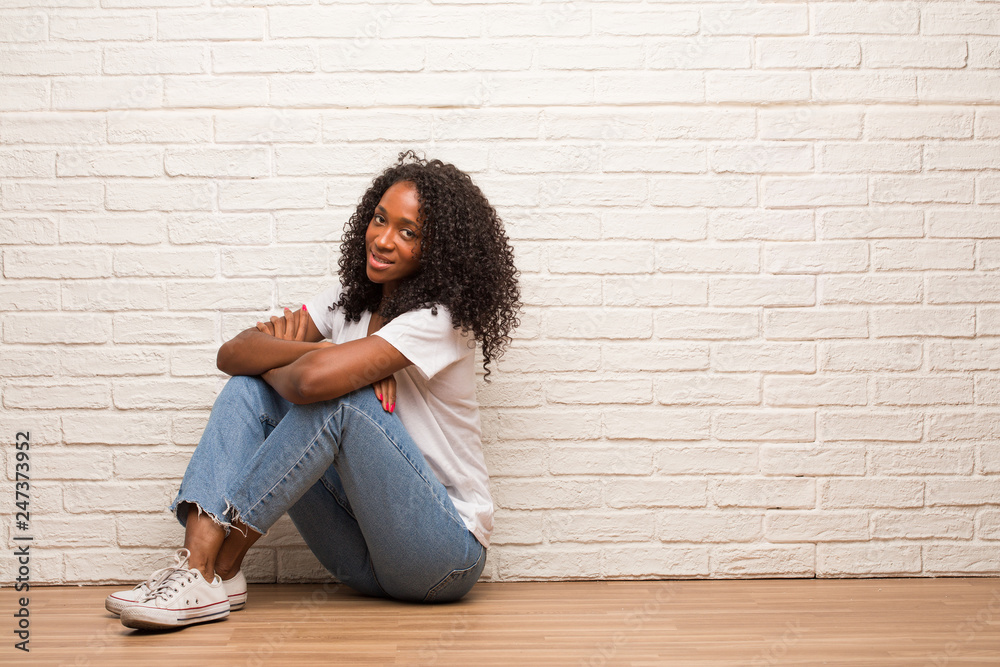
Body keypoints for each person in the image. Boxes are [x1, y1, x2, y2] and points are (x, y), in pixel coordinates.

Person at [105, 151, 521, 630]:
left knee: (344, 399)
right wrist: (332, 360)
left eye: (408, 232)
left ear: (438, 249)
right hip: (360, 558)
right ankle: (202, 571)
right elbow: (234, 353)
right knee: (247, 389)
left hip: (440, 557)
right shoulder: (347, 301)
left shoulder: (439, 318)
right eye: (380, 219)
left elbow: (310, 384)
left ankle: (214, 567)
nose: (383, 240)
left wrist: (325, 368)